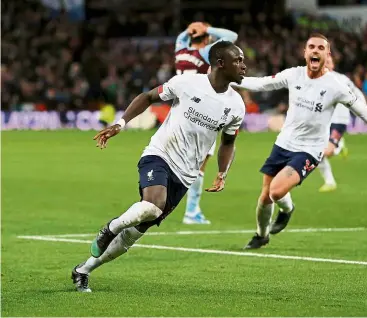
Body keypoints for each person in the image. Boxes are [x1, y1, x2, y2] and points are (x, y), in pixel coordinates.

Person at [71, 41, 247, 292]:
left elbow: (228, 142)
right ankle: (110, 227)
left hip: (185, 175)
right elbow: (148, 97)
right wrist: (120, 124)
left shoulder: (237, 105)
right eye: (238, 60)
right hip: (160, 155)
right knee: (153, 206)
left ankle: (83, 270)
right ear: (220, 63)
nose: (244, 65)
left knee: (136, 231)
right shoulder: (187, 83)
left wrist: (222, 172)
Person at [232, 33, 367, 249]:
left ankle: (287, 209)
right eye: (312, 47)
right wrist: (231, 78)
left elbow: (365, 113)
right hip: (283, 143)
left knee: (276, 191)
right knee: (264, 197)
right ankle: (261, 235)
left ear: (327, 54)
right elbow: (262, 84)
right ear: (305, 52)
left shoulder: (336, 86)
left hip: (309, 150)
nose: (316, 50)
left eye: (321, 48)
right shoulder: (293, 75)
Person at [175, 21, 238, 224]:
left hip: (181, 110)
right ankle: (191, 212)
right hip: (202, 112)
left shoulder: (180, 51)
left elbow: (181, 37)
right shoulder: (204, 53)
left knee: (187, 162)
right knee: (199, 165)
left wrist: (190, 28)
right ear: (206, 39)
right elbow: (232, 35)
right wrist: (208, 29)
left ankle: (190, 209)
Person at [317, 55, 366, 192]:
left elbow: (357, 93)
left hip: (339, 120)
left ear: (333, 65)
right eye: (323, 62)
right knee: (316, 151)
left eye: (328, 62)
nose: (326, 64)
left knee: (324, 152)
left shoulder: (342, 79)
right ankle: (330, 181)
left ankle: (338, 147)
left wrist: (363, 110)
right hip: (323, 122)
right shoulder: (316, 80)